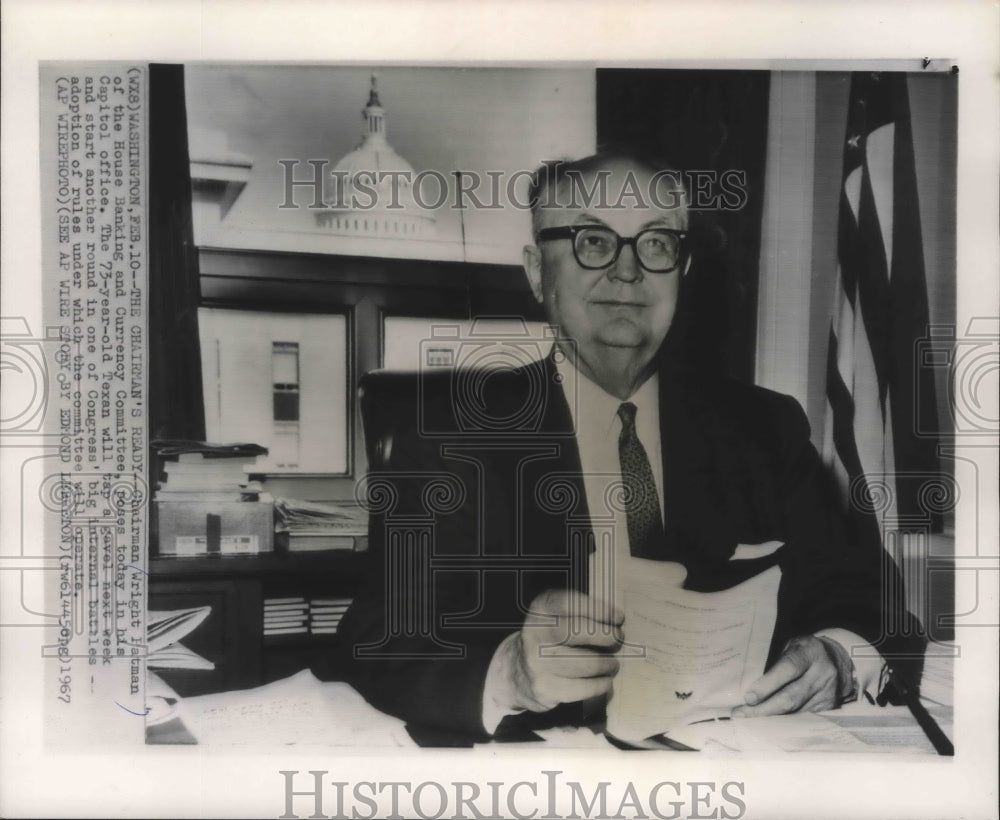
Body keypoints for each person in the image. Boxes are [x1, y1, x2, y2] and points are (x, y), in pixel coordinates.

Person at [337, 153, 925, 743]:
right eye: (593, 240)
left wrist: (839, 657)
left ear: (683, 269)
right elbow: (379, 633)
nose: (627, 271)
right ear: (538, 271)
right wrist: (509, 673)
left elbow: (870, 596)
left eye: (656, 244)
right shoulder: (449, 433)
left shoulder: (764, 428)